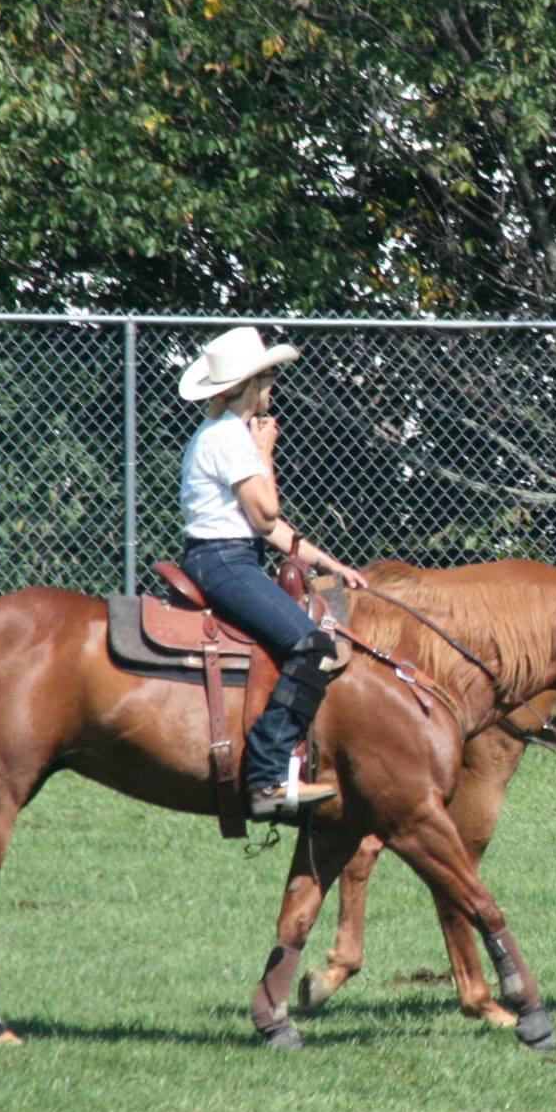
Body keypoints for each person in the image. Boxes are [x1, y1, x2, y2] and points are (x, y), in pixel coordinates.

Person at [176, 325, 369, 823]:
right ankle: (266, 774)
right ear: (245, 388)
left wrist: (330, 565)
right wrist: (266, 453)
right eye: (267, 378)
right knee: (313, 646)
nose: (272, 387)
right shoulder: (230, 439)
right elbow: (265, 516)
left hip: (226, 555)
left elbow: (273, 530)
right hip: (223, 560)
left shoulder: (220, 434)